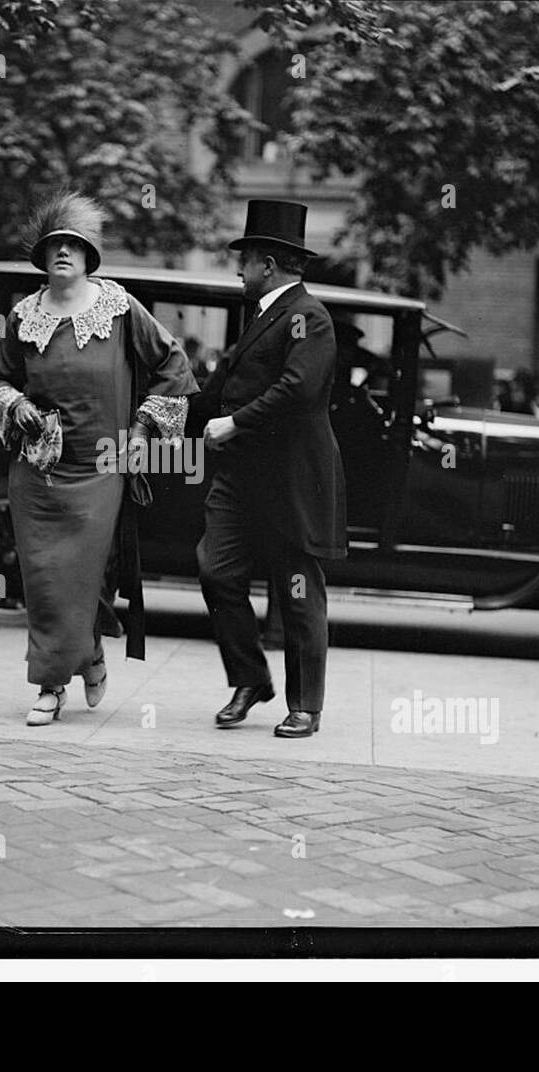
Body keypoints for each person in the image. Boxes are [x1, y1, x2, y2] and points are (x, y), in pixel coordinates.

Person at [0, 192, 197, 726]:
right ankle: (52, 685)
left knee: (84, 575)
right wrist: (18, 405)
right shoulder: (22, 316)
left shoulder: (120, 309)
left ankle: (90, 653)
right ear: (43, 256)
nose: (63, 253)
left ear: (88, 257)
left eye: (73, 246)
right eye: (54, 245)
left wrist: (145, 427)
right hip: (38, 471)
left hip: (102, 466)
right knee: (43, 578)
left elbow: (173, 363)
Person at [195, 199, 347, 739]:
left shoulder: (309, 317)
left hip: (291, 481)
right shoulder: (261, 316)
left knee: (299, 591)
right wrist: (158, 412)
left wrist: (233, 423)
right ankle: (251, 679)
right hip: (241, 479)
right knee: (215, 569)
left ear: (267, 264)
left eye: (246, 260)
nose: (239, 270)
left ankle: (305, 704)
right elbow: (218, 391)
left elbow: (299, 390)